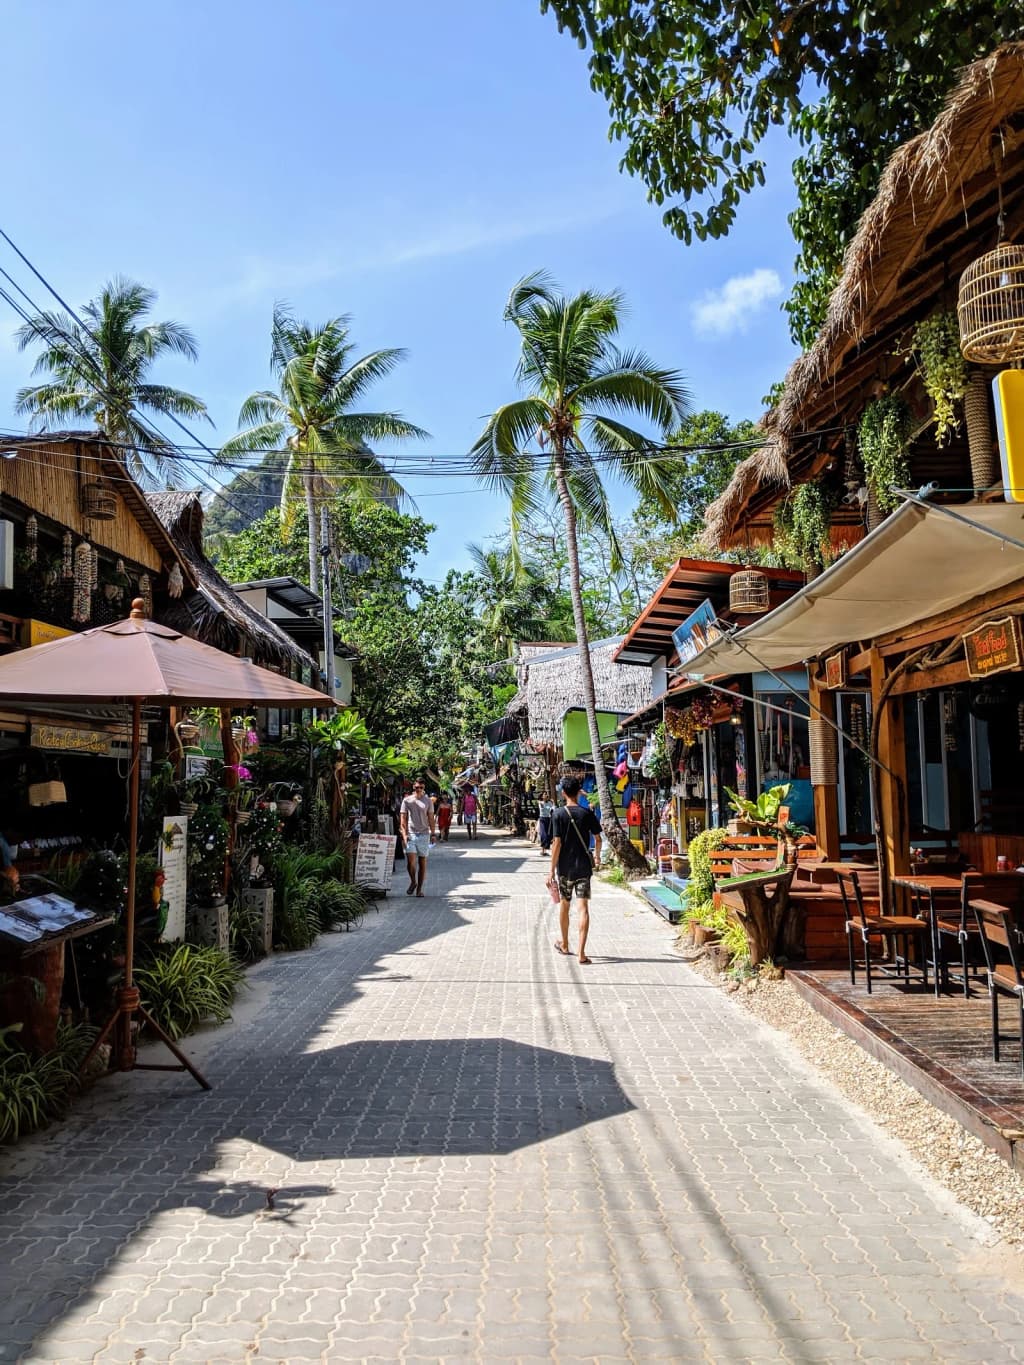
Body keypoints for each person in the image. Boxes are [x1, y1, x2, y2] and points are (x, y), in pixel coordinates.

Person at [549, 777, 602, 964]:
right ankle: (581, 953)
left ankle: (564, 945)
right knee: (583, 908)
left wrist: (551, 871)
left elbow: (557, 844)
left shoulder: (557, 814)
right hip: (583, 869)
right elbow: (598, 838)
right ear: (579, 791)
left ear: (563, 792)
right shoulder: (587, 813)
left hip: (565, 869)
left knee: (565, 905)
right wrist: (597, 857)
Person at [400, 779, 436, 897]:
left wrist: (433, 834)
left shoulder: (428, 801)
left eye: (421, 787)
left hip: (424, 834)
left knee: (422, 862)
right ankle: (413, 881)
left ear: (423, 788)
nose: (418, 789)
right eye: (416, 787)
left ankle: (419, 889)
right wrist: (404, 835)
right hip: (411, 834)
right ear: (413, 788)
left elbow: (431, 818)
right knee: (410, 861)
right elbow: (403, 819)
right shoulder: (407, 800)